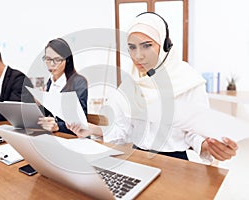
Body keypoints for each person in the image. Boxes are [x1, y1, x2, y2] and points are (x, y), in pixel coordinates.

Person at [66, 12, 238, 162]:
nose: (138, 56)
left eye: (147, 45)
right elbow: (122, 129)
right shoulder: (129, 82)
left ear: (164, 46)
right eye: (132, 48)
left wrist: (208, 146)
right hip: (137, 156)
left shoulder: (188, 80)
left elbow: (194, 132)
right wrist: (91, 129)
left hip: (175, 161)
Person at [37, 38, 88, 135]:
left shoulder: (79, 82)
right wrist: (39, 104)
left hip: (73, 138)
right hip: (55, 137)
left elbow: (80, 123)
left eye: (57, 60)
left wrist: (57, 126)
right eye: (48, 59)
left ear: (67, 60)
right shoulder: (50, 82)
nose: (52, 64)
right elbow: (48, 116)